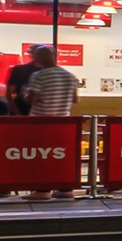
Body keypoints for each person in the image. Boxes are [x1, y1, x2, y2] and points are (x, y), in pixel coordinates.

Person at [20, 45, 80, 199]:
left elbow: (32, 100)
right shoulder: (70, 75)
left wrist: (24, 93)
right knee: (61, 157)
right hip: (63, 123)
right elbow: (75, 99)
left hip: (42, 124)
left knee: (42, 157)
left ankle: (42, 190)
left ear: (38, 58)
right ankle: (65, 189)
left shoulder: (39, 75)